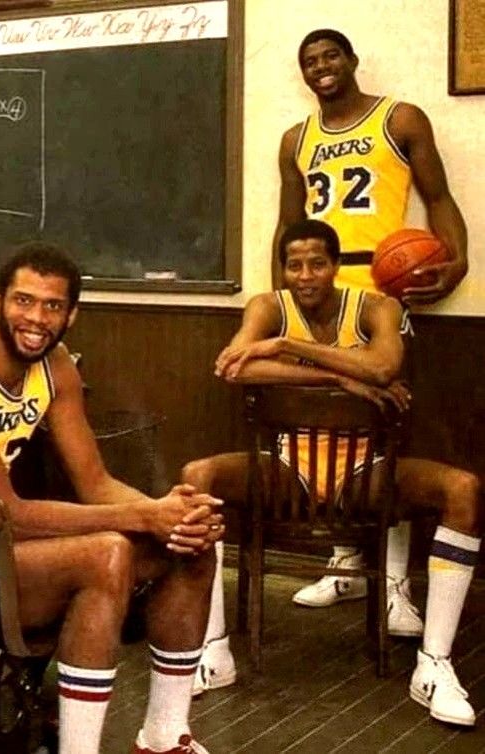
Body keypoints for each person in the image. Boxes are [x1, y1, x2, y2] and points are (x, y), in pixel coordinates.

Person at [0, 242, 223, 754]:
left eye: (52, 306)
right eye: (23, 301)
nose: (35, 318)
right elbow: (7, 511)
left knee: (190, 544)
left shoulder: (56, 364)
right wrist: (147, 514)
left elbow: (95, 483)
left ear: (72, 315)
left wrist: (174, 516)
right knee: (106, 552)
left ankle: (163, 736)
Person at [183, 219, 481, 727]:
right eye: (294, 264)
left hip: (365, 471)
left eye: (317, 263)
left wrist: (283, 348)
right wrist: (341, 375)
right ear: (283, 269)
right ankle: (214, 652)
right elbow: (234, 366)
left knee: (465, 490)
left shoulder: (374, 306)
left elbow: (385, 366)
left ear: (336, 266)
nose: (305, 275)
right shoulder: (269, 306)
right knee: (197, 476)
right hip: (287, 467)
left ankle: (433, 664)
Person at [268, 28, 469, 635]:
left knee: (386, 432)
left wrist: (456, 261)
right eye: (310, 60)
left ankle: (395, 585)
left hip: (379, 290)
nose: (321, 67)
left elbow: (438, 198)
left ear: (352, 61)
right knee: (326, 425)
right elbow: (288, 224)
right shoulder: (295, 140)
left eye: (331, 56)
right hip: (317, 290)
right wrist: (282, 302)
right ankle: (346, 562)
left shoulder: (399, 118)